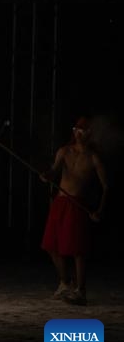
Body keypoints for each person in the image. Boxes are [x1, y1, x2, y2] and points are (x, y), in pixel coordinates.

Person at [40, 116, 109, 306]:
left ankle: (81, 290)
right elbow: (54, 171)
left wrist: (99, 210)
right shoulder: (64, 151)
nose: (79, 133)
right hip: (60, 202)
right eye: (76, 129)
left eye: (83, 130)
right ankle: (65, 283)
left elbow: (106, 186)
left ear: (89, 134)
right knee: (51, 245)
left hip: (77, 203)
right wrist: (47, 175)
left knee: (78, 250)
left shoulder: (93, 158)